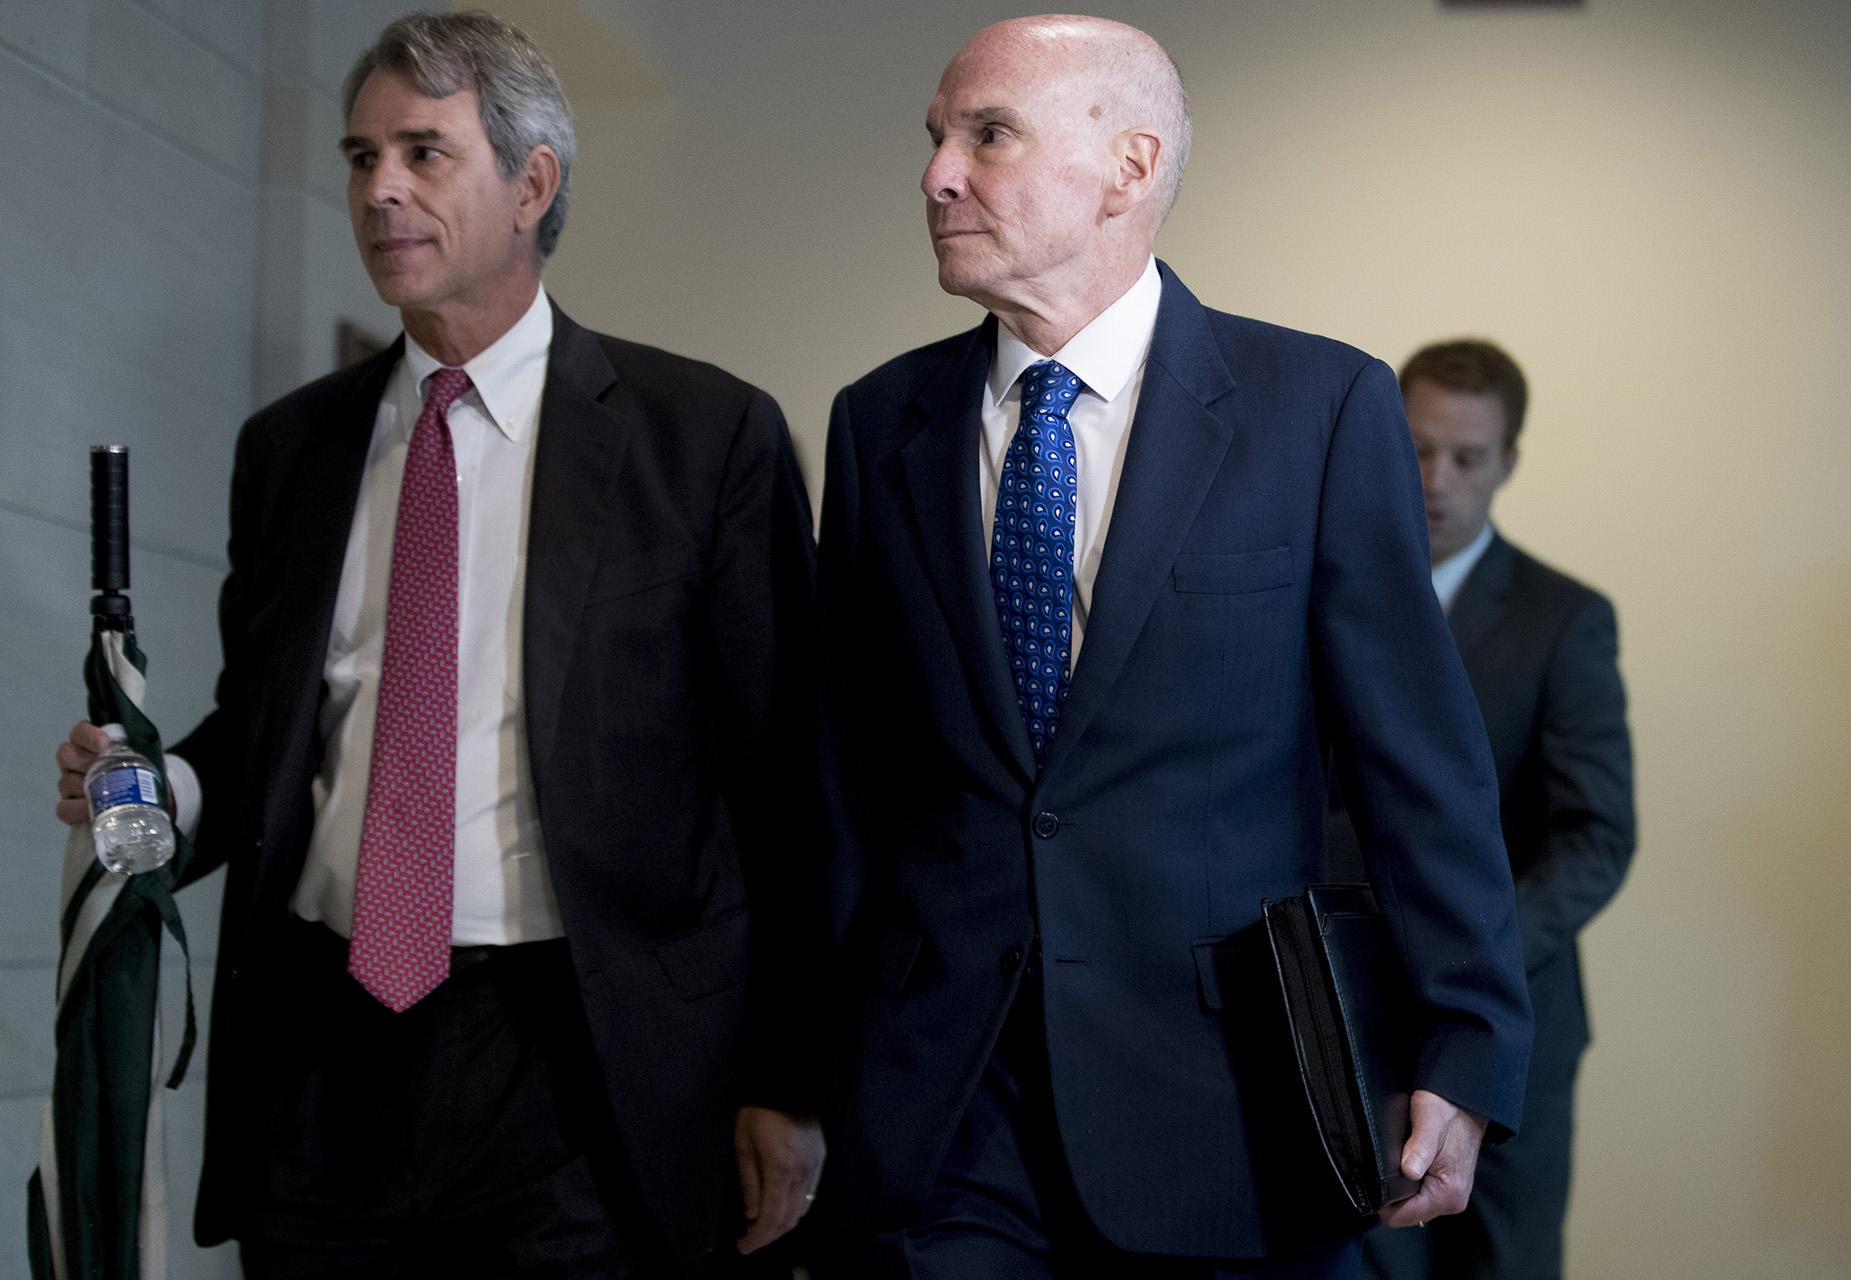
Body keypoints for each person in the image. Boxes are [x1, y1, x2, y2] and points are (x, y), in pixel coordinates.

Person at [53, 11, 824, 1275]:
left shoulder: (706, 438)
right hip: (317, 1050)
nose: (379, 191)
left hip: (573, 1057)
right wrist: (143, 793)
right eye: (360, 158)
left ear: (533, 183)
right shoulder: (291, 448)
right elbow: (260, 743)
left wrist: (791, 1084)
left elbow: (789, 783)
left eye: (423, 152)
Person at [816, 15, 1532, 1278]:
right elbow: (847, 779)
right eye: (936, 138)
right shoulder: (879, 425)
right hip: (945, 1109)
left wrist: (1465, 1043)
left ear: (1130, 166)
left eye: (988, 135)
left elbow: (1418, 763)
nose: (936, 174)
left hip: (1228, 1108)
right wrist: (795, 1068)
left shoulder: (1318, 409)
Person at [1329, 339, 1633, 1280]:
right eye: (1417, 450)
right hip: (1352, 1015)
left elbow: (1597, 837)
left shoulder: (1564, 618)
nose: (1437, 480)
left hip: (1515, 1032)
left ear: (1509, 462)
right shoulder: (1319, 598)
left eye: (1467, 458)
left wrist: (1480, 955)